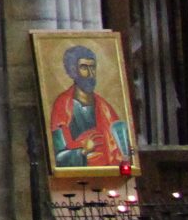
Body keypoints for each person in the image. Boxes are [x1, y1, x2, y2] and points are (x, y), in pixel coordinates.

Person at [49, 43, 133, 171]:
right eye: (84, 67)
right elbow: (58, 156)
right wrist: (83, 151)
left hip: (109, 172)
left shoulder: (105, 108)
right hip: (77, 175)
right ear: (72, 71)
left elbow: (121, 147)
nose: (90, 74)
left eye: (93, 67)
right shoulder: (62, 106)